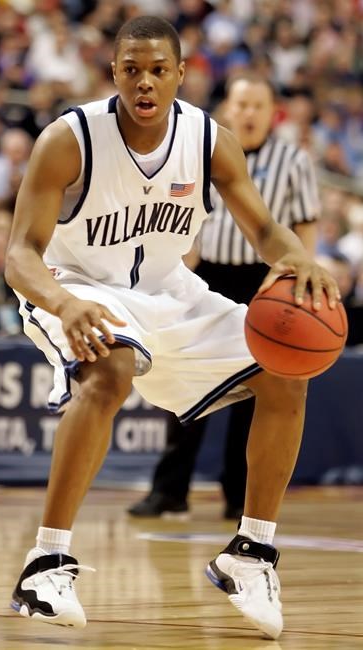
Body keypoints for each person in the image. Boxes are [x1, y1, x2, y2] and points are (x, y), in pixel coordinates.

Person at [5, 16, 339, 640]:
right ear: (113, 72)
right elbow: (19, 254)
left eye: (159, 69)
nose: (145, 82)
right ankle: (44, 563)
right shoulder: (69, 138)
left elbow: (265, 230)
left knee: (287, 374)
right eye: (132, 69)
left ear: (182, 74)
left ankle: (251, 553)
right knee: (108, 371)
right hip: (76, 285)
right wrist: (61, 301)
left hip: (170, 292)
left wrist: (294, 255)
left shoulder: (210, 141)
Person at [128, 73, 319, 521]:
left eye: (258, 105)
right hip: (207, 274)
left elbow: (304, 226)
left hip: (266, 281)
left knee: (256, 394)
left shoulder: (294, 160)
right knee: (186, 379)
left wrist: (300, 281)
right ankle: (169, 491)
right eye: (241, 105)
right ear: (228, 109)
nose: (248, 113)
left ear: (274, 113)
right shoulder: (204, 152)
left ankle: (240, 497)